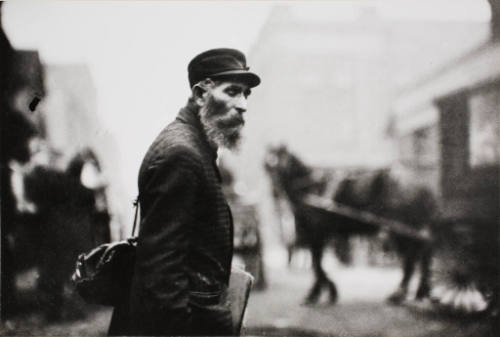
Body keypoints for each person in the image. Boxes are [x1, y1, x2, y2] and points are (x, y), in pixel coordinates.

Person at [108, 48, 260, 336]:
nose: (242, 105)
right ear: (201, 94)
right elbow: (163, 269)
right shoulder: (183, 154)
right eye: (232, 92)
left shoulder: (195, 148)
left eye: (245, 94)